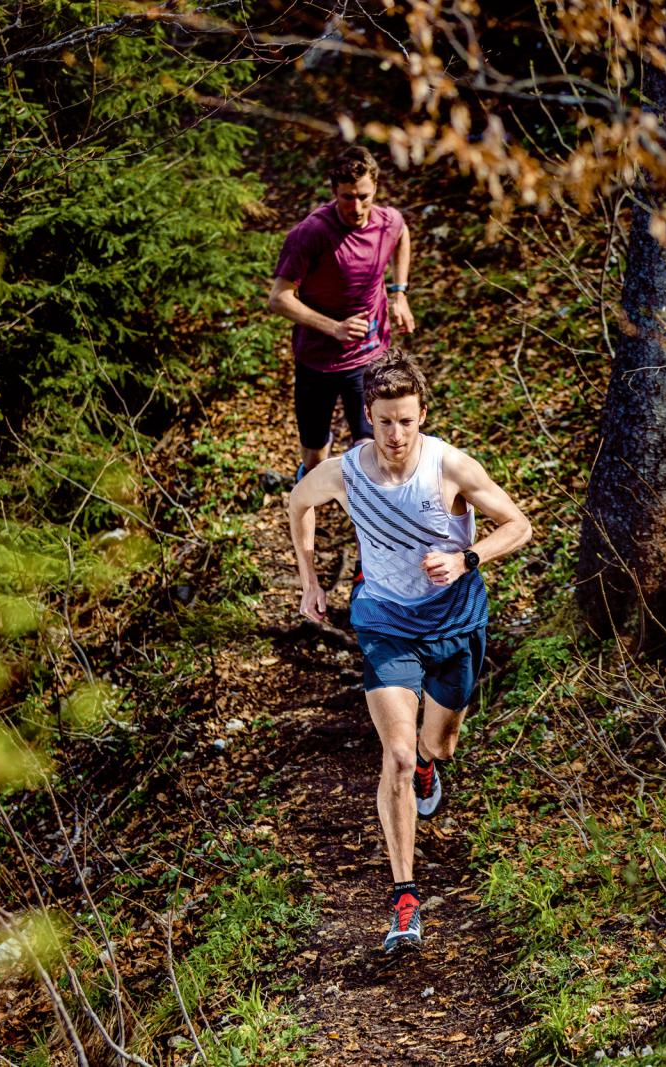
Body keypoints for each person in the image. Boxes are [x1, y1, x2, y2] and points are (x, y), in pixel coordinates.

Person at [287, 352, 532, 953]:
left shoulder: (450, 466)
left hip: (456, 622)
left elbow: (519, 524)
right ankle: (404, 899)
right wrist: (310, 579)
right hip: (385, 623)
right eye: (384, 422)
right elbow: (298, 504)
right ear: (366, 417)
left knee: (437, 743)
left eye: (406, 421)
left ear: (422, 416)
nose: (395, 435)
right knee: (394, 755)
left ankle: (430, 764)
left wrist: (466, 558)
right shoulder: (346, 472)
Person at [268, 146, 415, 483]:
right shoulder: (311, 233)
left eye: (364, 196)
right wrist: (333, 328)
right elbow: (279, 299)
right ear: (334, 191)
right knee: (315, 455)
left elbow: (402, 232)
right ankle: (314, 490)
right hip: (317, 360)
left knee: (373, 445)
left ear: (375, 187)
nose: (357, 207)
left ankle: (370, 517)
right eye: (347, 197)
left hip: (368, 355)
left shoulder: (387, 221)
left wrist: (399, 293)